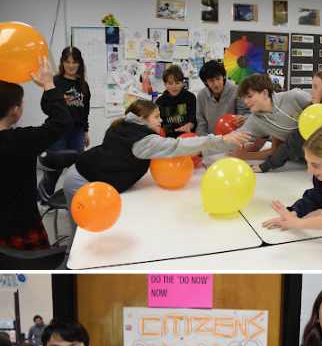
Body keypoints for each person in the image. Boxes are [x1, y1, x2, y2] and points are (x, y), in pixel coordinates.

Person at [62, 100, 251, 201]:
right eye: (156, 117)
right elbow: (178, 146)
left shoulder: (125, 127)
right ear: (142, 119)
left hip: (82, 170)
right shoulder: (142, 140)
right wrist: (222, 138)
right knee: (83, 235)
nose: (161, 121)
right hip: (82, 180)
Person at [0, 59, 70, 251]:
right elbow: (61, 122)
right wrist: (48, 85)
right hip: (23, 227)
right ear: (15, 111)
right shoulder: (21, 140)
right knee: (39, 264)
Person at [230, 73, 315, 172]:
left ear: (265, 94)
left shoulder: (294, 97)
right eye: (245, 98)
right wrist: (215, 144)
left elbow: (320, 106)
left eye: (250, 96)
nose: (246, 101)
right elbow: (279, 149)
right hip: (308, 159)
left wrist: (250, 158)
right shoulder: (257, 120)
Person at [45, 46, 91, 197]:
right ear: (62, 63)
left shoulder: (83, 84)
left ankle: (77, 198)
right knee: (55, 168)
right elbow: (45, 106)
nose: (71, 65)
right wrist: (60, 102)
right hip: (58, 130)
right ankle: (44, 199)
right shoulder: (55, 82)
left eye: (74, 62)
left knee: (77, 168)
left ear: (79, 64)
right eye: (68, 62)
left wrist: (85, 131)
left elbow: (85, 111)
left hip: (77, 131)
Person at [195, 60, 250, 136]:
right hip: (211, 139)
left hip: (234, 137)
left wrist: (245, 118)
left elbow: (246, 113)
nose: (216, 84)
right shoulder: (201, 95)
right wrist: (202, 140)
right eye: (211, 81)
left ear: (224, 76)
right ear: (205, 82)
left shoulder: (236, 91)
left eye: (218, 79)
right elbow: (201, 122)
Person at [155, 65, 197, 137]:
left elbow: (194, 119)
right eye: (170, 83)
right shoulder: (160, 102)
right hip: (166, 140)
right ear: (165, 84)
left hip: (187, 138)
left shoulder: (190, 97)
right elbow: (156, 123)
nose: (174, 87)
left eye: (177, 83)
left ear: (182, 83)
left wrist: (187, 127)